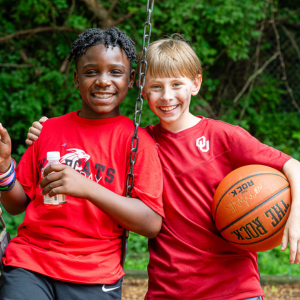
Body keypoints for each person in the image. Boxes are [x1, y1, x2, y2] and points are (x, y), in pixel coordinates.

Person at [26, 35, 300, 300]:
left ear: (196, 83)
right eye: (156, 87)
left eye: (177, 85)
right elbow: (95, 139)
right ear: (143, 90)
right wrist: (48, 130)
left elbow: (293, 166)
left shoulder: (224, 137)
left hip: (234, 288)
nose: (167, 96)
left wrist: (296, 217)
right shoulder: (139, 142)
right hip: (169, 290)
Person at [0, 27, 164, 300]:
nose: (102, 81)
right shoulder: (50, 130)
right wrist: (4, 167)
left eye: (115, 72)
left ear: (132, 79)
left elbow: (150, 223)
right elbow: (17, 204)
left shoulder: (137, 142)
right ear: (76, 78)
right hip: (31, 262)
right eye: (91, 72)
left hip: (94, 272)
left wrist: (86, 187)